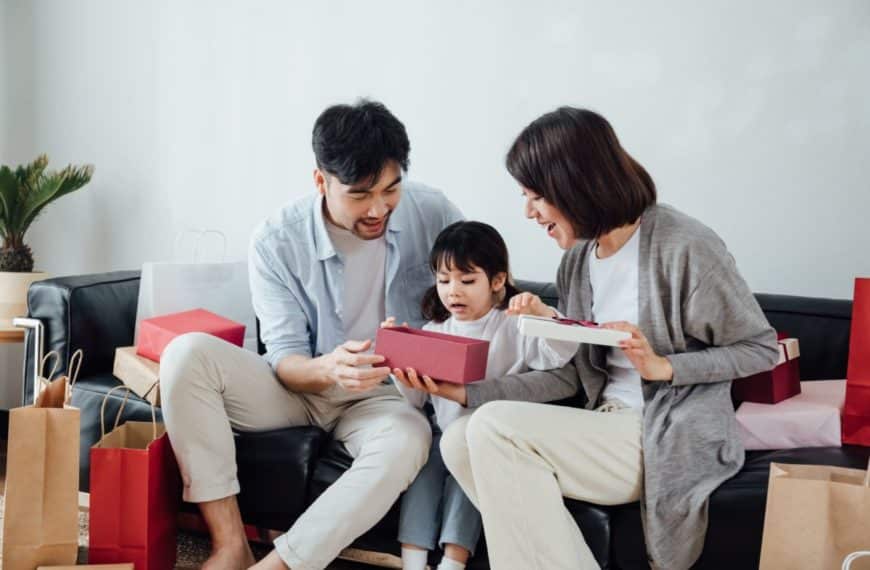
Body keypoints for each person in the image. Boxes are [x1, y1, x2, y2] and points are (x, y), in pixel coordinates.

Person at [428, 107, 779, 569]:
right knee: (458, 436)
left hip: (664, 434)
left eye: (535, 196)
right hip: (604, 423)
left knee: (492, 429)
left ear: (574, 185)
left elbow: (760, 348)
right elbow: (567, 377)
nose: (528, 212)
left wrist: (665, 367)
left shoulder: (684, 245)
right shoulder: (577, 263)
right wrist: (469, 392)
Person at [159, 99, 464, 570]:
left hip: (385, 398)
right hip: (299, 387)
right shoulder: (276, 240)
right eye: (361, 194)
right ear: (321, 181)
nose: (378, 208)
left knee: (408, 440)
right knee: (184, 354)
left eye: (391, 188)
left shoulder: (434, 212)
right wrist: (330, 367)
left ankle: (282, 565)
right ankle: (229, 544)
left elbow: (477, 294)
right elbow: (284, 359)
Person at [383, 221, 577, 570]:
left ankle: (453, 563)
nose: (453, 291)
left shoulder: (513, 324)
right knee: (422, 471)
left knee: (470, 471)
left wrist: (543, 315)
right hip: (441, 430)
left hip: (488, 438)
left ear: (497, 281)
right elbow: (414, 402)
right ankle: (413, 562)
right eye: (444, 281)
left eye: (467, 281)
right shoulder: (435, 329)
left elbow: (559, 355)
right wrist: (399, 361)